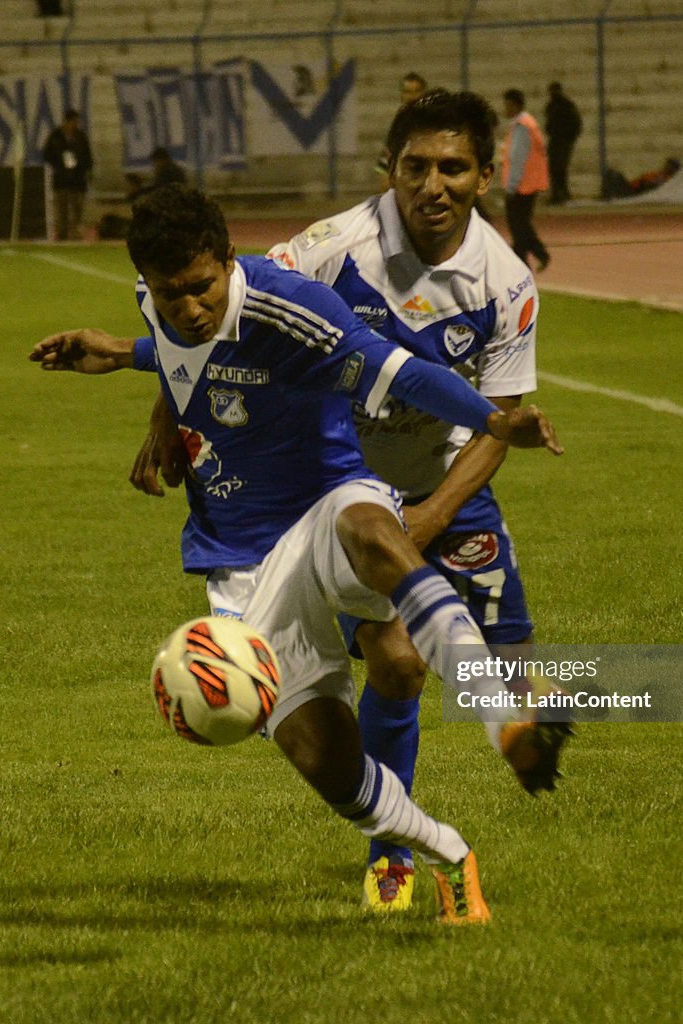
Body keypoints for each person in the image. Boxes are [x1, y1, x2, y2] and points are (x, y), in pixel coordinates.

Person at [29, 184, 564, 924]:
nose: (187, 306)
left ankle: (497, 710)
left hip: (326, 502)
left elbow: (402, 371)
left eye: (200, 287)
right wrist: (125, 354)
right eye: (168, 292)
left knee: (374, 539)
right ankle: (443, 849)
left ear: (227, 260)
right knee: (327, 764)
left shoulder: (290, 305)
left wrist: (495, 422)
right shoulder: (157, 299)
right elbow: (194, 352)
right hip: (240, 558)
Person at [263, 89, 569, 912]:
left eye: (454, 167)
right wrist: (165, 406)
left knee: (523, 684)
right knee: (398, 663)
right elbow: (230, 311)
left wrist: (431, 518)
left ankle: (530, 724)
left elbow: (498, 427)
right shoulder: (332, 248)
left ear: (482, 176)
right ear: (388, 171)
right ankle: (390, 854)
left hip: (447, 488)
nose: (434, 185)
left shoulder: (504, 281)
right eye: (416, 167)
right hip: (346, 491)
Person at [500, 89, 551, 272]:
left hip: (523, 185)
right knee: (522, 224)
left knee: (517, 226)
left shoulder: (522, 126)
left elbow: (517, 157)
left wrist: (511, 185)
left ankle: (521, 265)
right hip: (528, 182)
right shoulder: (525, 123)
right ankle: (539, 254)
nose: (504, 108)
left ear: (514, 105)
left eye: (506, 104)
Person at [43, 108, 93, 241]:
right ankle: (63, 232)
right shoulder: (56, 136)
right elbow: (47, 155)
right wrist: (59, 163)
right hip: (61, 179)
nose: (75, 124)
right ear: (66, 122)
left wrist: (84, 168)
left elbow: (87, 156)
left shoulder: (81, 137)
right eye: (73, 122)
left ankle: (76, 231)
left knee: (77, 208)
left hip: (77, 179)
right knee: (62, 208)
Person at [375, 72, 428, 179]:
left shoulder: (432, 122)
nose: (413, 96)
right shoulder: (399, 123)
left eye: (417, 91)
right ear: (402, 95)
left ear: (424, 93)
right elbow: (389, 151)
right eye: (408, 92)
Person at [544, 82, 581, 204]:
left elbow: (575, 124)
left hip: (562, 141)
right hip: (558, 141)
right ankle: (560, 193)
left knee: (559, 169)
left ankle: (560, 194)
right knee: (557, 169)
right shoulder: (558, 106)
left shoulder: (564, 106)